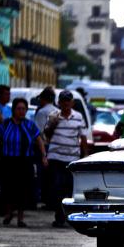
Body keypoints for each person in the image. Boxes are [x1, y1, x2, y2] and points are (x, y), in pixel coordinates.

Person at [0, 98, 48, 227]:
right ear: (13, 110)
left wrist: (43, 155)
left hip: (25, 162)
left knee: (23, 190)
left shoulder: (30, 125)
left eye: (24, 109)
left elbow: (39, 140)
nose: (21, 111)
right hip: (8, 161)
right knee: (8, 189)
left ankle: (20, 218)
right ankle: (8, 213)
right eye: (19, 109)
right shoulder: (6, 124)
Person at [44, 90, 88, 228]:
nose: (65, 103)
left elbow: (83, 138)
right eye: (63, 101)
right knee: (57, 187)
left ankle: (68, 216)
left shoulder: (78, 117)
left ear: (72, 102)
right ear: (59, 102)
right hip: (56, 157)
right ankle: (59, 216)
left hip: (72, 158)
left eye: (68, 100)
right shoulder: (53, 115)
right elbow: (47, 135)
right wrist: (53, 124)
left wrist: (85, 156)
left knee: (69, 188)